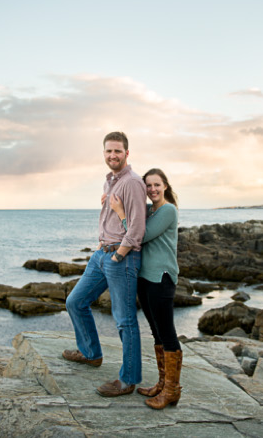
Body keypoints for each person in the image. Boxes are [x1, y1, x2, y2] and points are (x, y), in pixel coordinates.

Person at [63, 131, 147, 397]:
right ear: (104, 153)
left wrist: (119, 255)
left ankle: (128, 380)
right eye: (109, 151)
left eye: (118, 151)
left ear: (127, 153)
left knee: (124, 320)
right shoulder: (111, 181)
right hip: (102, 254)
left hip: (120, 257)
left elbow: (137, 228)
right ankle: (90, 354)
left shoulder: (132, 182)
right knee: (75, 302)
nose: (113, 155)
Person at [110, 168, 183, 409]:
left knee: (167, 332)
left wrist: (120, 213)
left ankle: (172, 390)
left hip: (161, 278)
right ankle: (162, 384)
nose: (152, 189)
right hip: (144, 277)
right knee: (156, 332)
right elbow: (131, 224)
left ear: (165, 186)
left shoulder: (168, 210)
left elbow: (139, 235)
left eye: (156, 185)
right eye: (148, 186)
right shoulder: (150, 210)